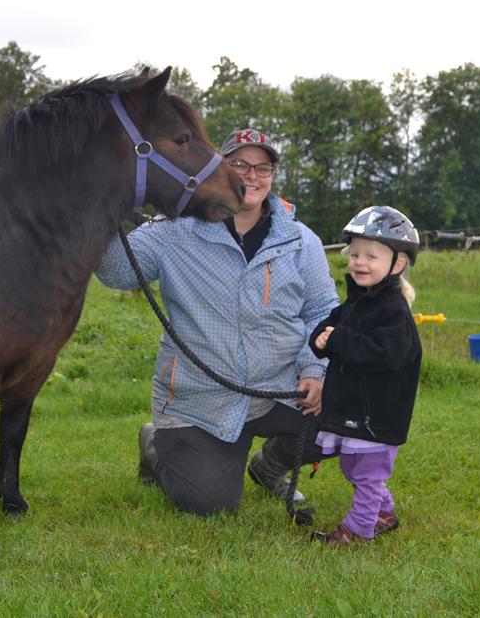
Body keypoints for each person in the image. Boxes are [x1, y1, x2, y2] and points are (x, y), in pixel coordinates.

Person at [94, 128, 339, 516]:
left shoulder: (300, 239)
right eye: (239, 163)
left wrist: (315, 370)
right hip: (200, 400)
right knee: (211, 505)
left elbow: (323, 310)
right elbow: (119, 272)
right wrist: (102, 214)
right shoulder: (175, 228)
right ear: (218, 168)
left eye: (263, 167)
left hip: (280, 388)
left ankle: (271, 466)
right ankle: (155, 442)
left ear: (273, 175)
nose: (251, 175)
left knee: (352, 414)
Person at [307, 205, 423, 546]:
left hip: (377, 413)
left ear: (397, 264)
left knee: (367, 474)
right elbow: (330, 326)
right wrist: (319, 339)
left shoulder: (394, 313)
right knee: (354, 468)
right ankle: (383, 514)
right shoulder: (355, 303)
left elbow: (383, 353)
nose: (360, 262)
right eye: (355, 254)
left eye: (371, 256)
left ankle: (358, 530)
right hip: (354, 408)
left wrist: (339, 339)